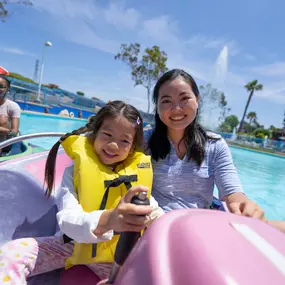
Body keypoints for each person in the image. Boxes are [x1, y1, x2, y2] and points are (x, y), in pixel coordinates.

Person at [0, 101, 163, 284]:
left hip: (116, 256)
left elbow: (157, 217)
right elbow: (68, 219)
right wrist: (109, 220)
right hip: (72, 245)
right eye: (107, 135)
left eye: (124, 140)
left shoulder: (137, 179)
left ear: (132, 147)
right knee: (13, 253)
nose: (113, 145)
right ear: (94, 135)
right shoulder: (75, 172)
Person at [145, 68, 267, 220]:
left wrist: (244, 206)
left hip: (199, 226)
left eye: (184, 98)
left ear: (197, 100)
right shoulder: (144, 142)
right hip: (155, 226)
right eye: (166, 101)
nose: (176, 108)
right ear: (157, 107)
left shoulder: (215, 145)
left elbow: (232, 193)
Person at [0, 75, 20, 155]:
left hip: (5, 141)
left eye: (0, 86)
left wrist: (7, 131)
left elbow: (14, 132)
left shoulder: (12, 106)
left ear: (8, 89)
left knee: (3, 119)